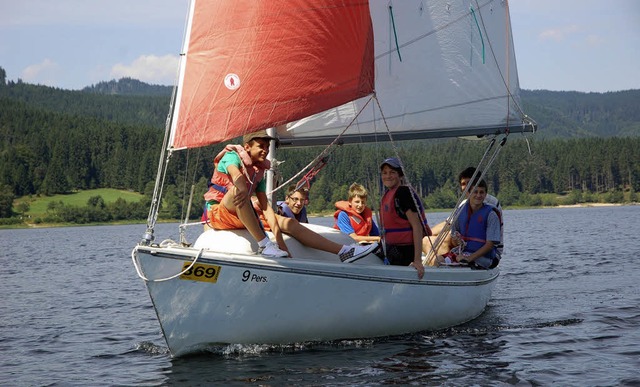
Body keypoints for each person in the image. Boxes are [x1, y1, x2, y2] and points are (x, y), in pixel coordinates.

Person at [202, 129, 377, 262]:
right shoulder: (232, 157)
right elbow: (235, 174)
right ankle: (264, 245)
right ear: (247, 147)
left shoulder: (258, 172)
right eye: (260, 147)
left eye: (267, 147)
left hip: (245, 214)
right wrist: (241, 187)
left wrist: (280, 242)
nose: (265, 151)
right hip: (219, 213)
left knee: (289, 222)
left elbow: (265, 207)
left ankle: (344, 251)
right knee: (236, 192)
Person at [423, 166, 504, 262]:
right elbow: (449, 224)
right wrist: (426, 233)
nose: (466, 187)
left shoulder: (489, 205)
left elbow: (490, 243)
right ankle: (436, 265)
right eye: (463, 184)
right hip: (466, 247)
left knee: (442, 239)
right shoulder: (464, 206)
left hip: (486, 253)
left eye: (469, 183)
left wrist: (469, 258)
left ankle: (442, 267)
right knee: (426, 240)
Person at [378, 157, 429, 279]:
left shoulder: (403, 193)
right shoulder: (388, 194)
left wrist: (417, 260)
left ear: (400, 175)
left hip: (404, 251)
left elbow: (417, 226)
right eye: (385, 173)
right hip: (391, 248)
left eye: (392, 172)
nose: (388, 176)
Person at [449, 177, 501, 269]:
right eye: (475, 192)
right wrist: (456, 240)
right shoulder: (460, 212)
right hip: (463, 253)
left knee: (462, 262)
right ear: (469, 193)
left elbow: (490, 245)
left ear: (485, 195)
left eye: (482, 192)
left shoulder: (491, 215)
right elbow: (453, 239)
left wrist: (469, 258)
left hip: (484, 258)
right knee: (439, 260)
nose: (478, 195)